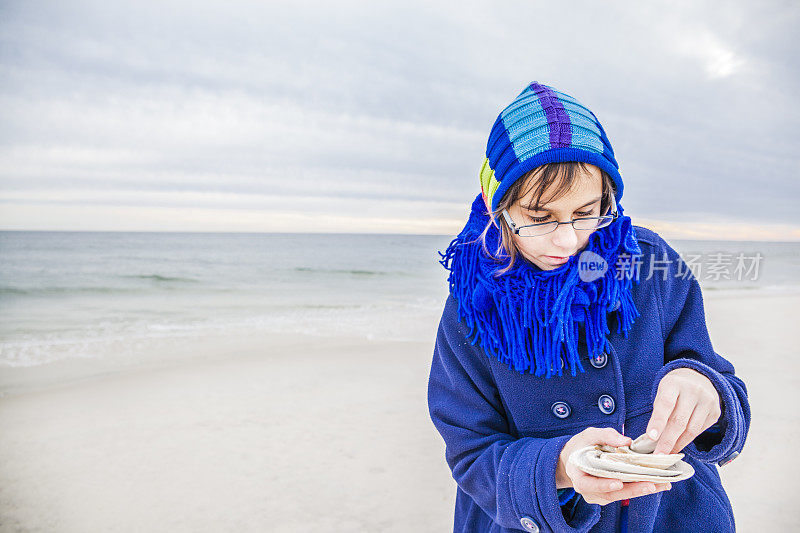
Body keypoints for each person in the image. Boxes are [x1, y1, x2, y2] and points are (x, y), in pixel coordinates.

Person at [427, 81, 750, 533]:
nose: (567, 239)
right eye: (540, 217)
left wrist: (704, 386)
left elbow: (720, 381)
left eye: (586, 211)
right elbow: (470, 450)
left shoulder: (649, 263)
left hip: (672, 518)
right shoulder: (470, 306)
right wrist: (560, 467)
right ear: (498, 205)